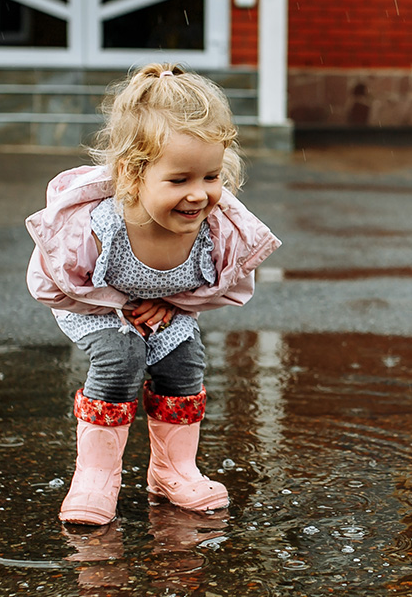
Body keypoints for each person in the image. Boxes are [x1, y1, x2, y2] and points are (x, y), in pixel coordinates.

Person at [25, 63, 281, 526]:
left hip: (167, 309)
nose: (199, 195)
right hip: (95, 302)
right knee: (120, 355)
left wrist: (174, 305)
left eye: (211, 176)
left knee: (184, 359)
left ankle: (172, 471)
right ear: (132, 174)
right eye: (179, 180)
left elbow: (228, 287)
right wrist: (118, 306)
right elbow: (53, 282)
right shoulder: (99, 227)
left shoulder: (215, 230)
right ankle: (96, 475)